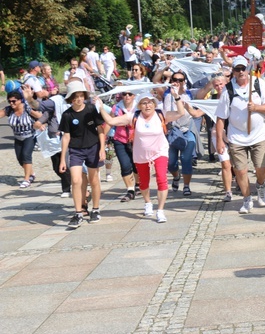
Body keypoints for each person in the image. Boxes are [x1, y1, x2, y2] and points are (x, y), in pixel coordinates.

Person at [97, 90, 187, 223]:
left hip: (159, 151)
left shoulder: (161, 115)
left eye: (150, 102)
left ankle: (160, 210)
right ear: (139, 106)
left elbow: (181, 113)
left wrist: (176, 97)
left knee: (162, 179)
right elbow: (111, 120)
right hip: (141, 153)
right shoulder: (133, 116)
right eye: (144, 103)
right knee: (143, 182)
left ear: (154, 104)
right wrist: (100, 106)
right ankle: (148, 203)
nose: (147, 106)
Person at [215, 57, 265, 213]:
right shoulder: (228, 90)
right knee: (240, 170)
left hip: (258, 134)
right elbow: (221, 117)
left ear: (247, 69)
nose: (241, 72)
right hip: (236, 136)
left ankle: (260, 186)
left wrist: (256, 108)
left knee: (260, 167)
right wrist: (219, 140)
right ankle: (247, 198)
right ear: (233, 72)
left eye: (243, 68)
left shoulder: (258, 84)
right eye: (237, 69)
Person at [59, 80, 106, 227]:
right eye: (75, 97)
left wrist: (102, 148)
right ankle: (78, 212)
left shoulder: (91, 109)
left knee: (94, 180)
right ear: (70, 98)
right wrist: (62, 159)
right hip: (76, 150)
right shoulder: (67, 115)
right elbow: (66, 137)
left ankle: (96, 209)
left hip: (93, 147)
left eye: (81, 96)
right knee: (76, 180)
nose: (79, 99)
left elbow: (101, 129)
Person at [165, 71, 205, 196]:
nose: (177, 82)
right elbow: (166, 115)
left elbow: (205, 92)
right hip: (172, 131)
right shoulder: (167, 95)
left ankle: (186, 186)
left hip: (188, 129)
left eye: (180, 80)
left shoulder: (189, 94)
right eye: (174, 79)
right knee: (171, 163)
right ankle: (176, 177)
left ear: (184, 82)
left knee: (186, 159)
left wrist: (213, 77)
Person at [103, 91, 139, 202]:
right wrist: (103, 138)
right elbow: (110, 122)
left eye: (130, 94)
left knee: (136, 165)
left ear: (134, 95)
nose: (127, 96)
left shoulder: (139, 107)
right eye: (124, 94)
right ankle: (130, 190)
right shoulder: (116, 108)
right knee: (125, 165)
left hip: (137, 140)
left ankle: (137, 184)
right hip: (120, 139)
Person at [2, 87, 40, 188]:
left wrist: (39, 122)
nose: (11, 103)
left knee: (26, 155)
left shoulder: (26, 108)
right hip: (18, 138)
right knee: (20, 159)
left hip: (29, 136)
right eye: (9, 101)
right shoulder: (9, 110)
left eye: (14, 101)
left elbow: (39, 115)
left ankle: (26, 179)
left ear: (19, 100)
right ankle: (31, 174)